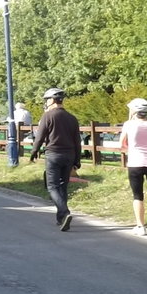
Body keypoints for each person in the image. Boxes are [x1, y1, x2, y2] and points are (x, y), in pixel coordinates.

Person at [28, 87, 82, 231]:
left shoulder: (48, 116)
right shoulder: (72, 118)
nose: (46, 103)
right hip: (69, 155)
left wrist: (34, 152)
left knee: (52, 186)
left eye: (47, 100)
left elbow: (39, 138)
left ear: (52, 100)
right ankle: (61, 219)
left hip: (53, 154)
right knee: (63, 186)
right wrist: (77, 160)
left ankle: (65, 212)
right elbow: (77, 141)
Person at [118, 97, 147, 236]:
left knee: (138, 195)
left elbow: (122, 144)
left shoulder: (128, 125)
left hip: (135, 163)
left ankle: (141, 226)